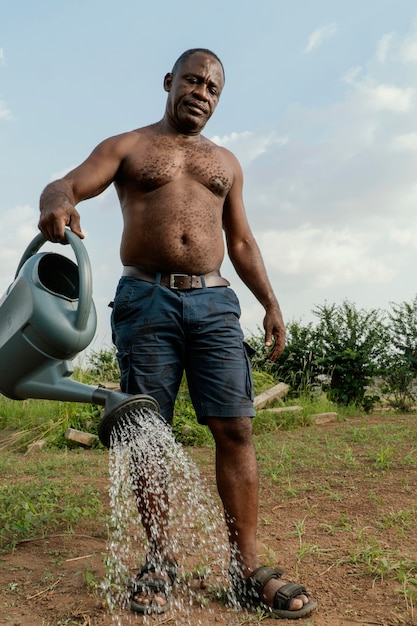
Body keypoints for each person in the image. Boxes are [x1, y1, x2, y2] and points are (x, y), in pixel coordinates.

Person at [38, 48, 317, 619]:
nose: (202, 93)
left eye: (213, 88)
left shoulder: (227, 162)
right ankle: (159, 561)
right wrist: (56, 202)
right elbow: (68, 184)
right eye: (193, 81)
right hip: (146, 298)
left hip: (215, 301)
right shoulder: (129, 146)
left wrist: (270, 303)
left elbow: (240, 242)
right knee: (148, 431)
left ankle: (247, 567)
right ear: (169, 82)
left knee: (235, 429)